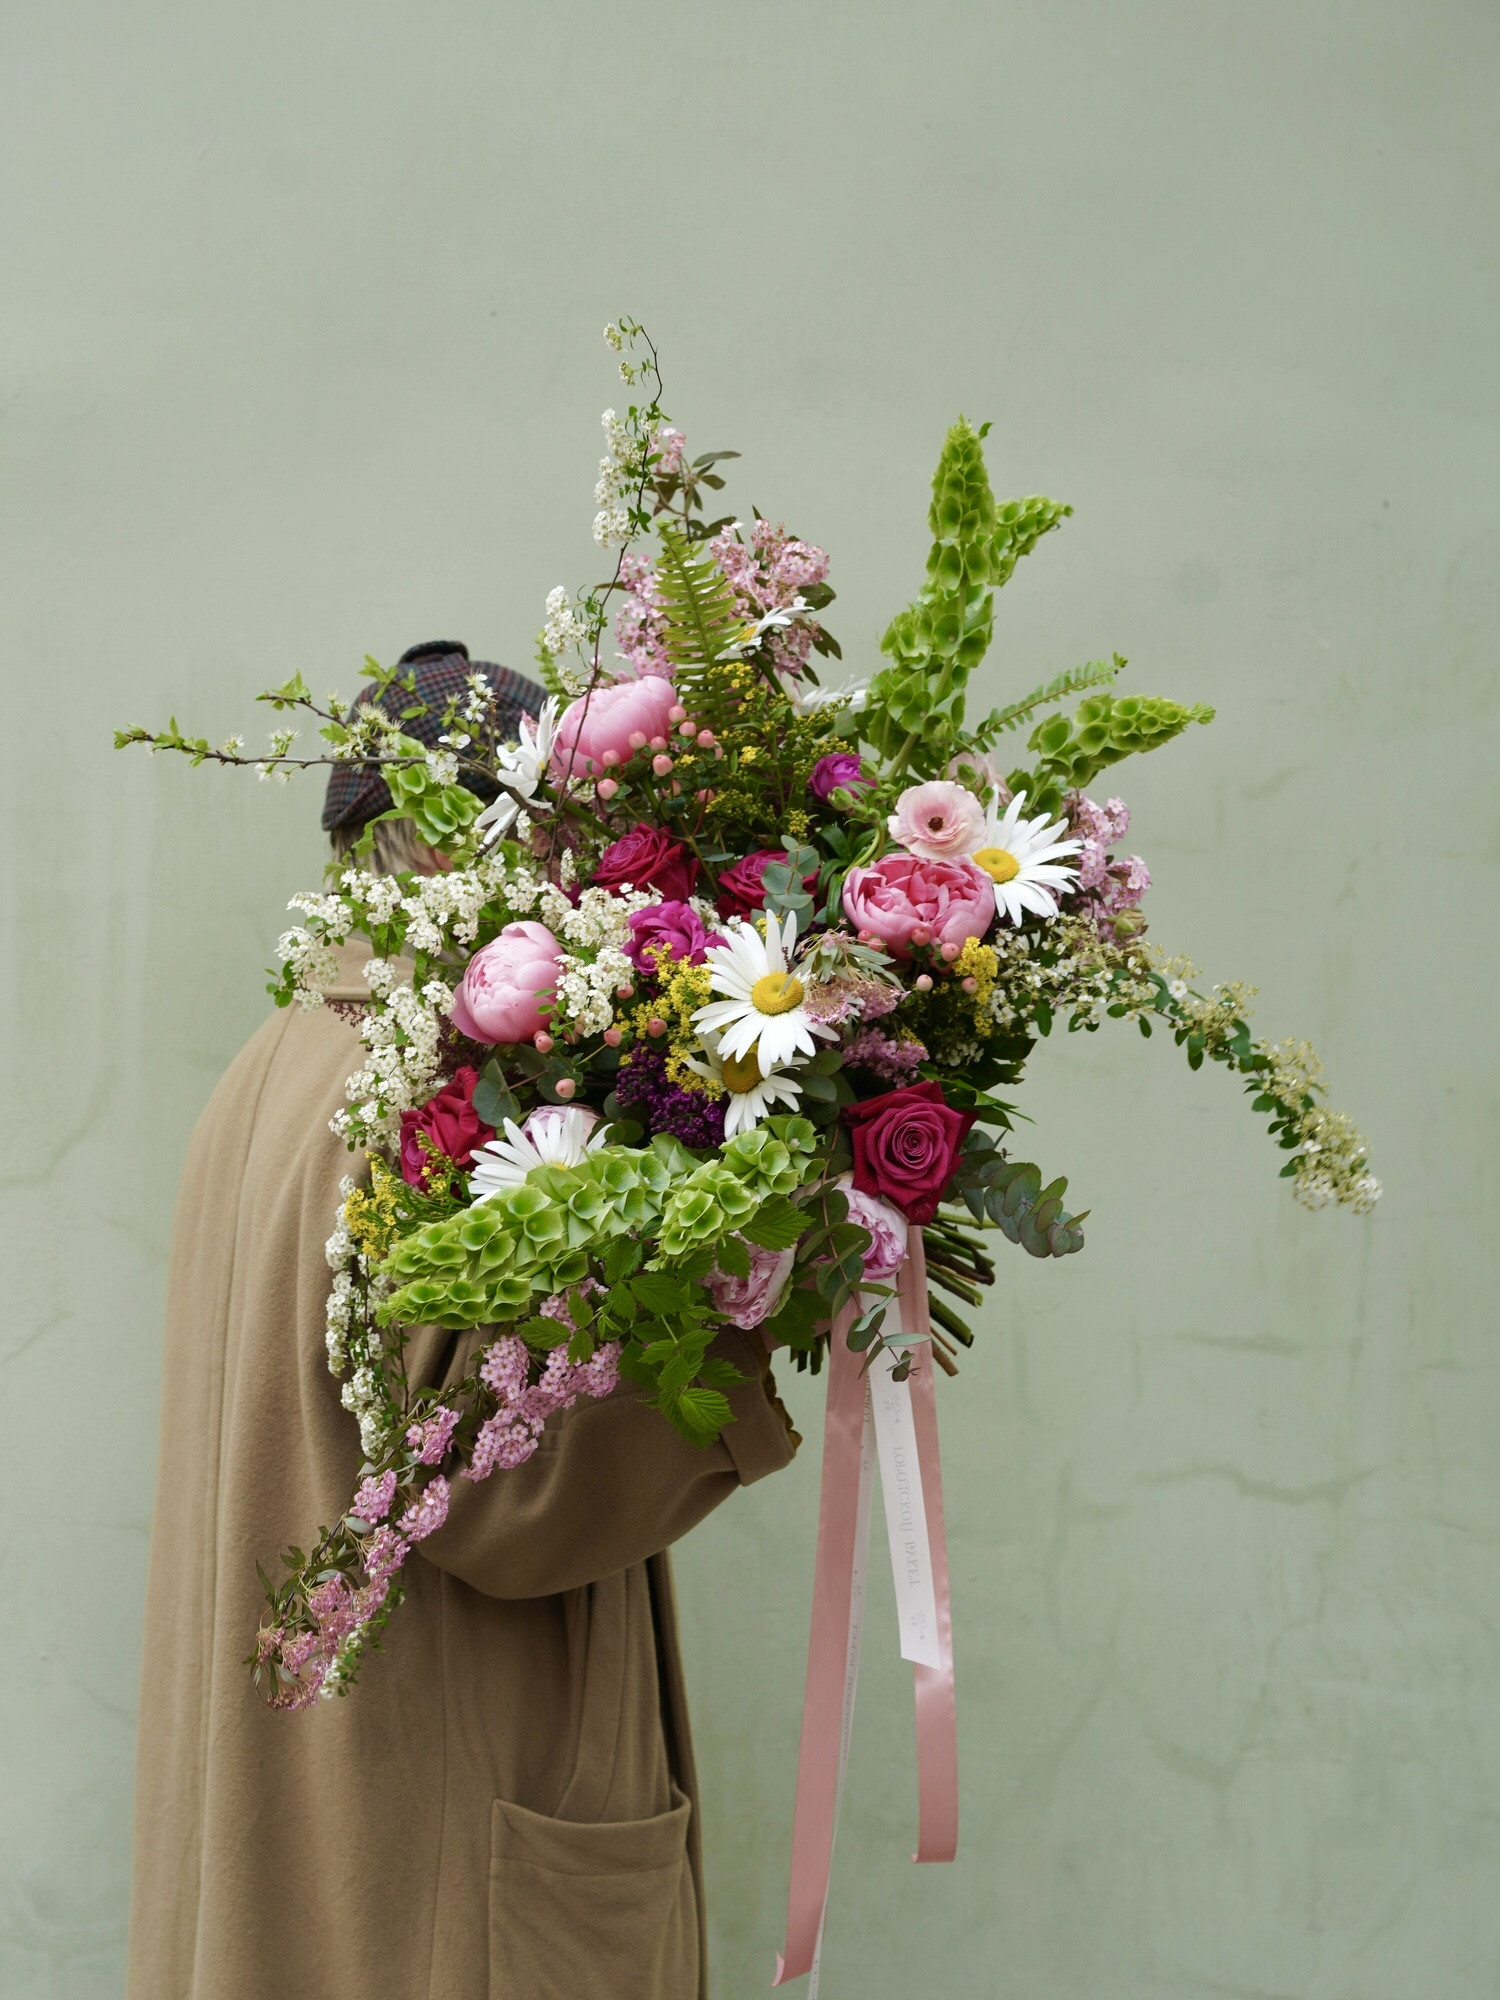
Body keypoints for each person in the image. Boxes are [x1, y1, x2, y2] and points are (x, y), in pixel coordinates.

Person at [126, 643, 799, 2000]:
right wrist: (746, 1306)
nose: (585, 870)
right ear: (466, 835)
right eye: (563, 827)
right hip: (444, 1838)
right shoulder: (442, 1084)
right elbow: (506, 1496)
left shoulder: (268, 1069)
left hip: (318, 1824)